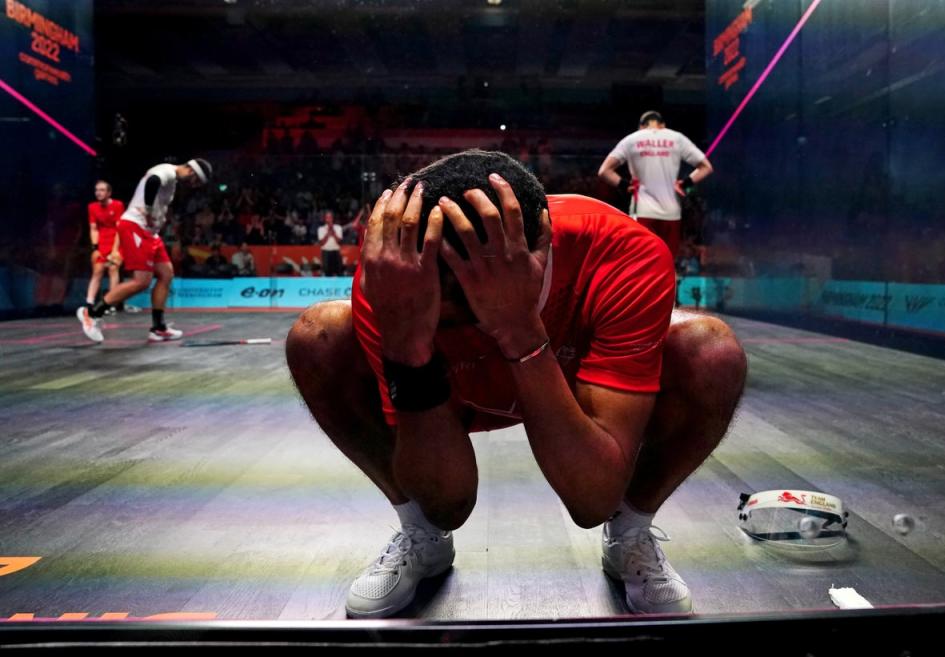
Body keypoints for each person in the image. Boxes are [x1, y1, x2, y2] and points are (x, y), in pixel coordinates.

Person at [285, 150, 747, 619]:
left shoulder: (623, 251)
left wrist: (518, 329)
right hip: (448, 392)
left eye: (452, 319)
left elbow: (591, 501)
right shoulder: (397, 277)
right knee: (318, 337)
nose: (451, 332)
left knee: (711, 352)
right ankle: (418, 530)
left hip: (565, 378)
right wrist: (407, 344)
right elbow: (450, 503)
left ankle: (630, 531)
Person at [76, 158, 212, 343]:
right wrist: (148, 210)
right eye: (196, 180)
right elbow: (152, 182)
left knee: (166, 274)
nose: (193, 185)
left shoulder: (172, 181)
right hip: (135, 227)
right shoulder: (166, 171)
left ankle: (158, 328)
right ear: (191, 171)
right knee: (141, 282)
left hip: (150, 234)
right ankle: (91, 313)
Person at [598, 111, 714, 258]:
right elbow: (706, 167)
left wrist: (625, 185)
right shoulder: (677, 138)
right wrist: (684, 184)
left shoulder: (632, 139)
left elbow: (604, 171)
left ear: (641, 126)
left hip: (642, 211)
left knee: (641, 261)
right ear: (662, 125)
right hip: (671, 212)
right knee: (668, 262)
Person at [80, 181, 124, 313]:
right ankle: (89, 303)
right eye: (96, 190)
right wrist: (95, 248)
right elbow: (94, 229)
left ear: (109, 192)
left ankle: (111, 303)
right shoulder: (92, 207)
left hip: (117, 241)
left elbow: (119, 229)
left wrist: (115, 250)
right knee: (97, 271)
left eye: (102, 190)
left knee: (112, 269)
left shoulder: (118, 205)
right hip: (102, 243)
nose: (98, 193)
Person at [316, 210, 344, 276]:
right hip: (325, 252)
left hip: (336, 252)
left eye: (330, 217)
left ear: (332, 218)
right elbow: (322, 243)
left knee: (339, 272)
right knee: (327, 272)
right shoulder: (321, 229)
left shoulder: (338, 228)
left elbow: (339, 241)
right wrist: (328, 233)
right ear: (325, 219)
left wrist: (333, 232)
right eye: (327, 217)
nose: (329, 219)